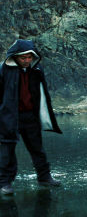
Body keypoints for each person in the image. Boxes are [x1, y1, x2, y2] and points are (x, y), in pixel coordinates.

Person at [0, 39, 62, 195]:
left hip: (30, 116)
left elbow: (40, 93)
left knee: (37, 148)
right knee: (7, 151)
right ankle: (4, 183)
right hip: (9, 116)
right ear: (16, 56)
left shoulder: (36, 69)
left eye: (29, 57)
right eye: (23, 58)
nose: (27, 60)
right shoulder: (4, 70)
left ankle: (44, 177)